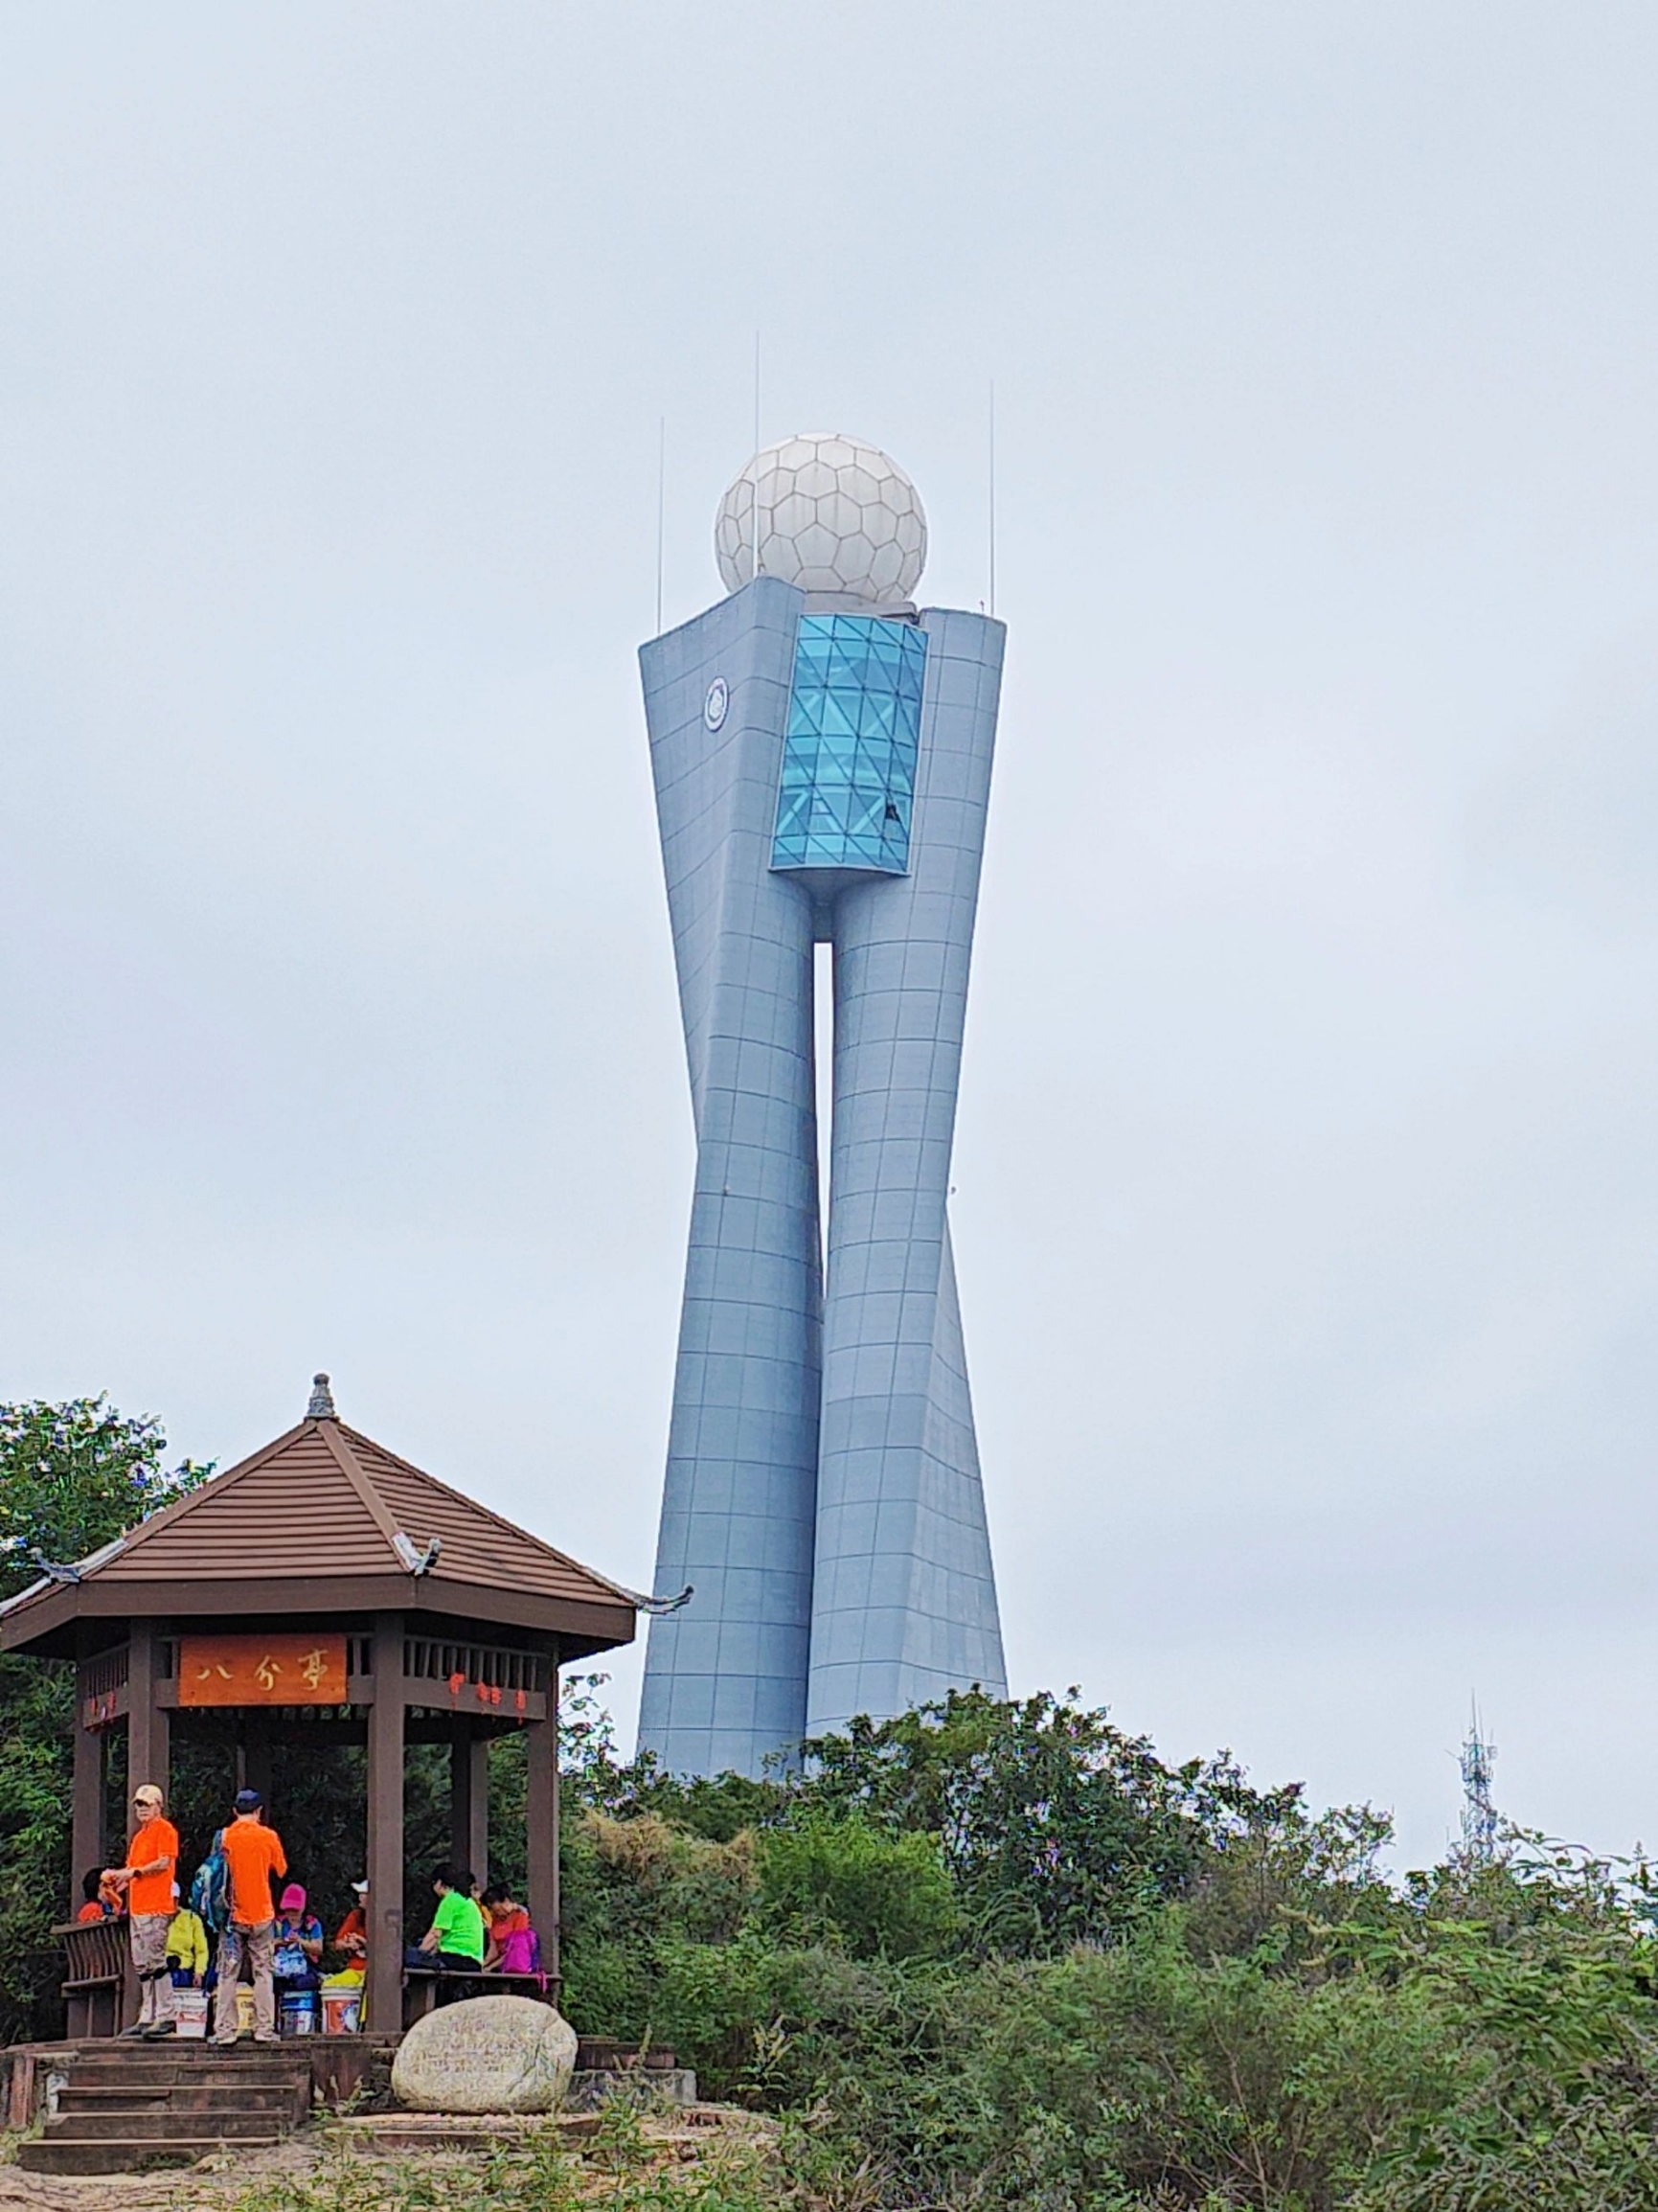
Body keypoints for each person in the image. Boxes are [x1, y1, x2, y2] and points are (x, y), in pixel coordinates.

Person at [212, 1788, 287, 2045]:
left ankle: (224, 2031)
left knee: (227, 1973)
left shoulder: (225, 1837)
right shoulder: (268, 1836)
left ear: (234, 1811)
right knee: (263, 1972)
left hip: (232, 1917)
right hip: (262, 1915)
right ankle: (264, 2030)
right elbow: (281, 1870)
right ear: (258, 1811)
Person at [103, 1783, 179, 2039]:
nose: (142, 1809)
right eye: (139, 1804)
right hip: (138, 1906)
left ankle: (166, 2014)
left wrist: (133, 1872)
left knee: (156, 1961)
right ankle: (146, 2016)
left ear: (158, 1805)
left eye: (146, 1804)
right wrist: (114, 1883)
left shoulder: (165, 1830)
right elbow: (132, 1872)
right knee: (142, 1964)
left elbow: (163, 1862)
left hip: (157, 1906)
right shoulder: (139, 1837)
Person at [405, 1863, 485, 1980]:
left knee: (411, 1957)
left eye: (433, 1883)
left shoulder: (449, 1901)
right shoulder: (467, 1901)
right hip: (474, 1961)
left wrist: (419, 1953)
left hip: (456, 1958)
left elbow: (435, 1935)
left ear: (439, 1882)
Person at [272, 1882, 324, 2018]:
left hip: (303, 1971)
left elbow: (318, 1949)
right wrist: (281, 1942)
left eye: (295, 1910)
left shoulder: (311, 1924)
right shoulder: (278, 1924)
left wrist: (300, 1941)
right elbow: (264, 1946)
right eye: (288, 1910)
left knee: (307, 1982)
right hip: (279, 1971)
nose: (292, 1914)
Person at [480, 1885, 539, 1974]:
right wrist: (483, 1964)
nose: (493, 1912)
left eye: (496, 1909)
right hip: (499, 1963)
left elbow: (513, 1950)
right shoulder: (496, 1919)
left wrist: (490, 1967)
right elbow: (493, 1950)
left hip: (515, 1963)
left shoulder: (520, 1917)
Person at [166, 1885, 211, 1989]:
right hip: (163, 1969)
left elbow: (201, 1950)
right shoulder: (157, 1919)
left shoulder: (192, 1919)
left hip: (184, 1970)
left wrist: (199, 1972)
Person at [331, 1879, 368, 1976]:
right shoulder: (355, 1915)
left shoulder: (382, 1920)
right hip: (354, 1970)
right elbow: (337, 1943)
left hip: (373, 1972)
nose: (359, 1897)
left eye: (363, 1894)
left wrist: (362, 1941)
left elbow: (382, 1951)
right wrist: (348, 1944)